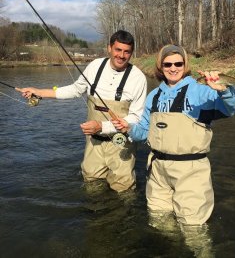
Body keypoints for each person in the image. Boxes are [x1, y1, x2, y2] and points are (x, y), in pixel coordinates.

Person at [112, 44, 235, 225]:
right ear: (161, 67)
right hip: (157, 171)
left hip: (191, 172)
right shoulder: (154, 96)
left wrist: (223, 90)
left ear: (185, 65)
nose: (173, 68)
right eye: (167, 64)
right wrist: (128, 128)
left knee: (193, 229)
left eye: (178, 64)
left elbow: (231, 108)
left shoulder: (201, 90)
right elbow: (144, 131)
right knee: (159, 222)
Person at [17, 30, 147, 193]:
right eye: (118, 50)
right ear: (109, 48)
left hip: (122, 144)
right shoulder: (94, 66)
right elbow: (75, 89)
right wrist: (40, 92)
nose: (121, 55)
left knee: (124, 190)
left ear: (131, 53)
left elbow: (136, 118)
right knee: (91, 185)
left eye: (127, 51)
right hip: (94, 142)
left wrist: (101, 126)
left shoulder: (138, 78)